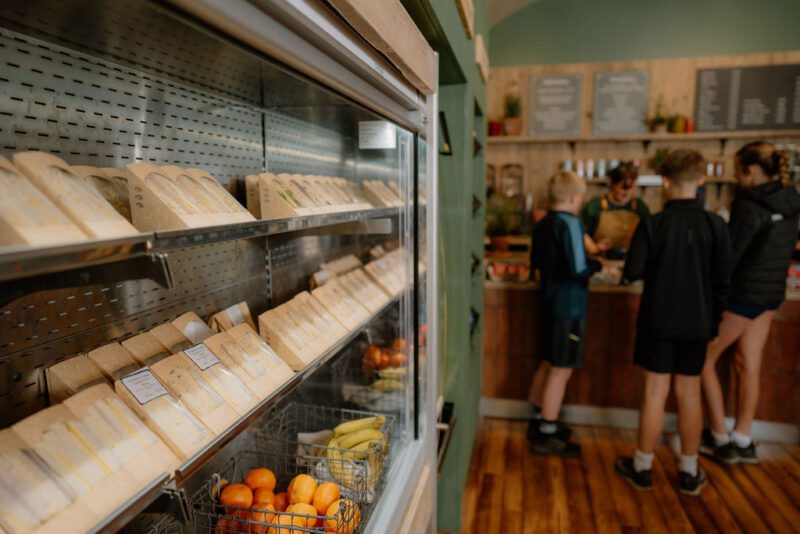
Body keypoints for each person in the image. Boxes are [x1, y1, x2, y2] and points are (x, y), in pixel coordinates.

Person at [615, 149, 731, 496]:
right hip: (699, 323)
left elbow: (631, 273)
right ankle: (689, 469)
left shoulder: (653, 224)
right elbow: (723, 283)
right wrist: (714, 324)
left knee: (655, 391)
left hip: (658, 321)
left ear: (665, 182)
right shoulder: (716, 225)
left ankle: (642, 466)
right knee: (689, 393)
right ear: (701, 180)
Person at [700, 142, 800, 464]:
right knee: (748, 365)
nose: (736, 176)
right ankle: (743, 438)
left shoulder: (748, 205)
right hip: (770, 296)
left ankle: (718, 436)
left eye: (738, 169)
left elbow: (730, 257)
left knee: (702, 360)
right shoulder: (791, 200)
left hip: (743, 296)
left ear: (751, 170)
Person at [527, 171, 601, 456]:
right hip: (568, 306)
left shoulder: (543, 221)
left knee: (547, 362)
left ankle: (537, 419)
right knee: (561, 370)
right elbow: (579, 269)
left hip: (547, 301)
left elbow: (536, 263)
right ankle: (547, 431)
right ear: (573, 197)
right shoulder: (570, 223)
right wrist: (598, 265)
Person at [581, 162, 650, 256]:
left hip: (631, 261)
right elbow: (581, 232)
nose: (626, 191)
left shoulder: (639, 207)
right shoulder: (596, 205)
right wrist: (594, 247)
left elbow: (649, 235)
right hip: (602, 262)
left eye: (630, 187)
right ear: (611, 184)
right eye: (622, 186)